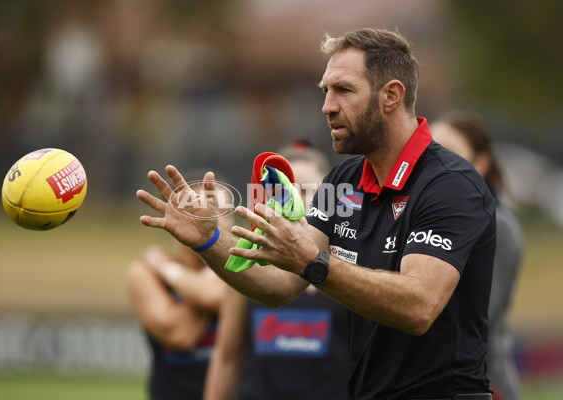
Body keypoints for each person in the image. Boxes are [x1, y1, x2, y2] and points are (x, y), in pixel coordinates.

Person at [137, 28, 496, 399]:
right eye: (325, 91)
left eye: (343, 90)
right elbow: (279, 285)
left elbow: (419, 306)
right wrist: (210, 239)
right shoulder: (345, 179)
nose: (327, 106)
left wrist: (315, 262)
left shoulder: (450, 184)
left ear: (391, 95)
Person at [204, 141, 350, 400]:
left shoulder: (349, 266)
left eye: (307, 191)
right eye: (283, 190)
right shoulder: (248, 263)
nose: (294, 199)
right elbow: (227, 358)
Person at [431, 111, 524, 400]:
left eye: (448, 151)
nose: (434, 161)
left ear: (481, 164)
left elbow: (477, 314)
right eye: (429, 149)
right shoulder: (439, 215)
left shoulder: (497, 224)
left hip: (484, 383)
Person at [127, 177, 232, 400]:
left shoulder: (249, 271)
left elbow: (211, 295)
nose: (211, 219)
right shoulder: (146, 273)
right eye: (196, 211)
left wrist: (168, 269)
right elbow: (180, 334)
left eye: (221, 211)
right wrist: (212, 275)